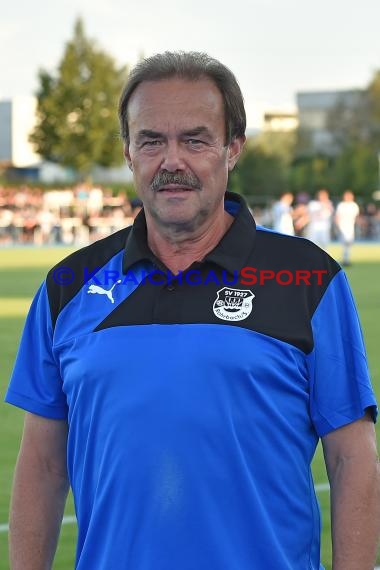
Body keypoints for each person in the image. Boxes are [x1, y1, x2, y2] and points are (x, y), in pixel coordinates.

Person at [5, 52, 380, 570]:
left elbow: (352, 458)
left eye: (195, 139)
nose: (172, 161)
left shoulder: (309, 278)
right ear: (129, 153)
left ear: (233, 149)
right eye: (152, 140)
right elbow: (44, 466)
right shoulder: (68, 285)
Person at [335, 190, 360, 266]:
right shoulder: (341, 205)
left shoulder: (354, 205)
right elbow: (337, 216)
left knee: (349, 243)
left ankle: (347, 259)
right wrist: (338, 226)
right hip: (342, 226)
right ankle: (345, 260)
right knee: (344, 243)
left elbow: (356, 216)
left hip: (350, 227)